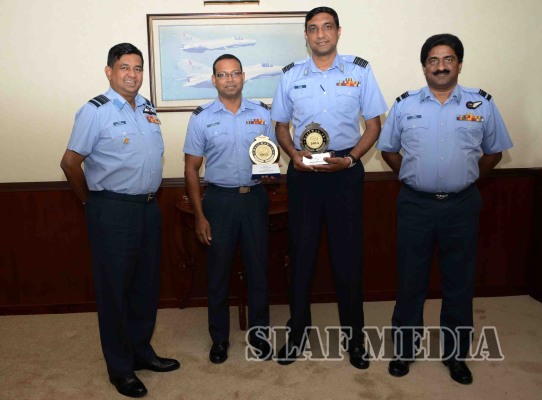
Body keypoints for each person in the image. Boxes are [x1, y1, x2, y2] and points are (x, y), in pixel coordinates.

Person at [377, 33, 513, 384]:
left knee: (459, 282)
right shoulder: (404, 105)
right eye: (433, 60)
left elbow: (494, 152)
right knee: (410, 280)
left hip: (461, 207)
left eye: (448, 59)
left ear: (459, 64)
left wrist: (466, 179)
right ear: (424, 66)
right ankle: (404, 350)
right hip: (415, 205)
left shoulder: (481, 104)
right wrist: (412, 177)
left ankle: (456, 356)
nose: (440, 66)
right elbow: (388, 150)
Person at [270, 6, 388, 368]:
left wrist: (351, 159)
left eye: (327, 27)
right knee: (301, 255)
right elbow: (280, 127)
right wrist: (293, 154)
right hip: (304, 172)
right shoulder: (290, 75)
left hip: (345, 172)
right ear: (306, 36)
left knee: (347, 257)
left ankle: (355, 338)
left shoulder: (360, 71)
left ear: (338, 32)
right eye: (313, 28)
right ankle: (298, 333)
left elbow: (374, 125)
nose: (320, 34)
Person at [60, 43, 179, 398]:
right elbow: (70, 163)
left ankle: (141, 352)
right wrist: (90, 202)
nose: (132, 74)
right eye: (125, 67)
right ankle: (120, 368)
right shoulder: (95, 111)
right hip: (112, 209)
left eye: (138, 68)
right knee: (114, 291)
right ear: (109, 71)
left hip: (148, 207)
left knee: (145, 286)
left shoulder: (147, 108)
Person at [183, 54, 276, 364]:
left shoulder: (262, 113)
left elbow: (270, 157)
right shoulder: (201, 118)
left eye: (235, 73)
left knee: (258, 270)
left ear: (243, 76)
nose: (230, 79)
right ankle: (219, 338)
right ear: (213, 80)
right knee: (218, 273)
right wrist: (200, 215)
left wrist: (270, 171)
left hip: (254, 199)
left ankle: (259, 335)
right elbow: (191, 168)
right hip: (219, 201)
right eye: (223, 75)